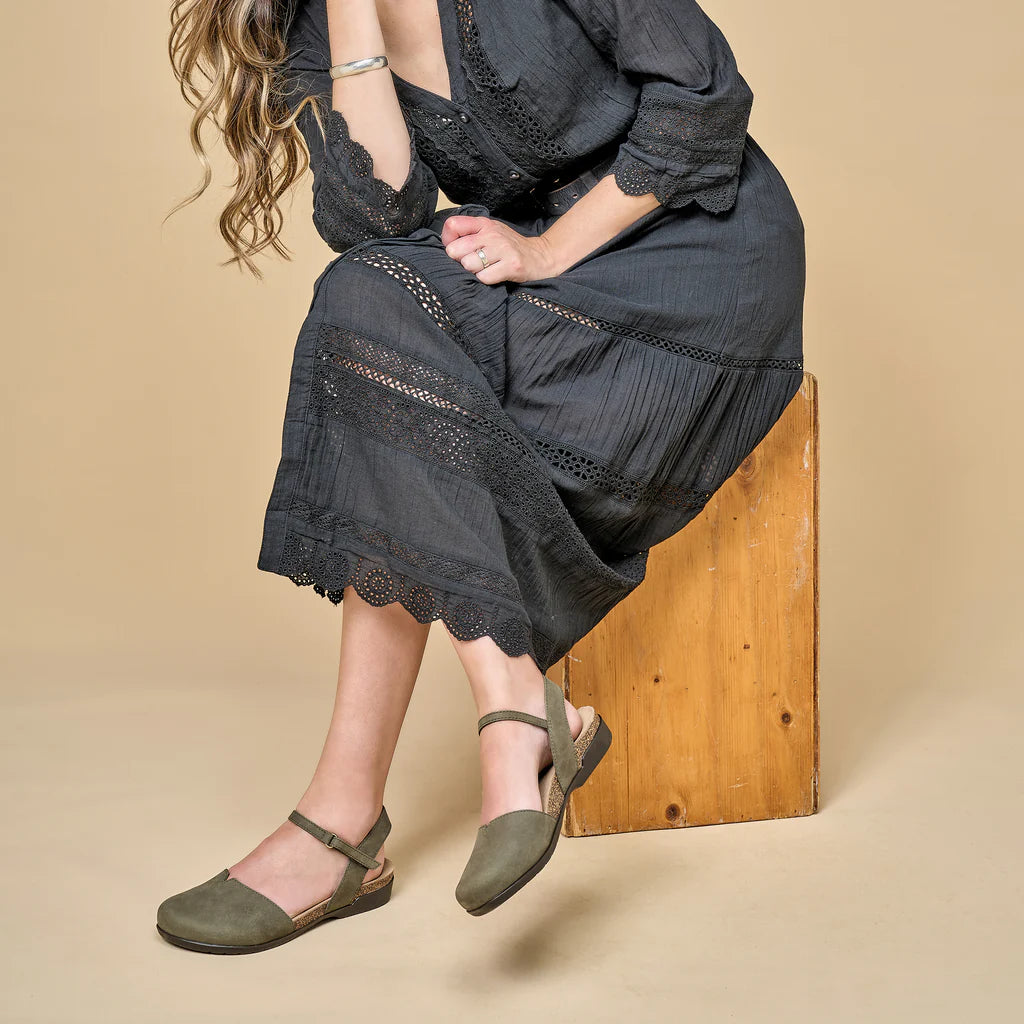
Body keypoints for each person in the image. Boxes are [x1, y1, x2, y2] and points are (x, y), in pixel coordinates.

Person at [157, 0, 805, 953]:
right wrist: (351, 14)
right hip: (524, 265)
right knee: (368, 298)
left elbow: (703, 98)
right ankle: (502, 715)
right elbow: (375, 218)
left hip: (691, 251)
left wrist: (549, 249)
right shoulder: (312, 23)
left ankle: (348, 819)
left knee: (389, 357)